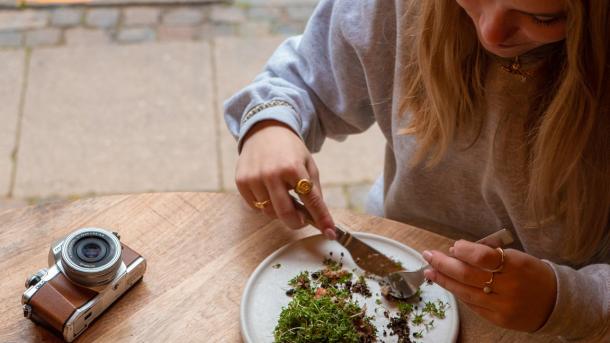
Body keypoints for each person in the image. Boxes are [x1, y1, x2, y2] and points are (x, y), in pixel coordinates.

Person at [224, 0, 609, 341]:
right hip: (398, 253)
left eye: (542, 18)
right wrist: (269, 125)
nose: (491, 32)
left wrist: (572, 301)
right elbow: (300, 81)